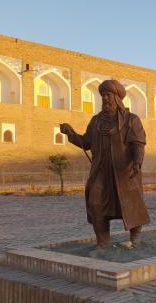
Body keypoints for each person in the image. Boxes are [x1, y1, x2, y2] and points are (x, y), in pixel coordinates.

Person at [60, 80, 149, 249]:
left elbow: (138, 143)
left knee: (132, 203)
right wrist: (71, 134)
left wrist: (137, 163)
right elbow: (86, 142)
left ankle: (135, 239)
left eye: (108, 95)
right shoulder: (96, 121)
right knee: (95, 203)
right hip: (101, 169)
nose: (105, 99)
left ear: (117, 97)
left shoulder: (131, 120)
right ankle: (103, 244)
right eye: (103, 96)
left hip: (124, 170)